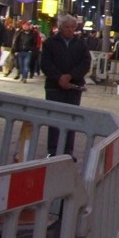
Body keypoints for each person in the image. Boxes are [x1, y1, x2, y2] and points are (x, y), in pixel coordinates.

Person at [40, 14, 92, 157]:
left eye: (72, 28)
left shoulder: (81, 44)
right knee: (55, 118)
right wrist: (59, 78)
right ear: (61, 28)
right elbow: (45, 63)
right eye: (67, 27)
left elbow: (86, 63)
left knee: (71, 119)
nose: (70, 30)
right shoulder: (50, 43)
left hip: (73, 88)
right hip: (54, 87)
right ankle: (53, 150)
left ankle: (68, 150)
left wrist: (71, 76)